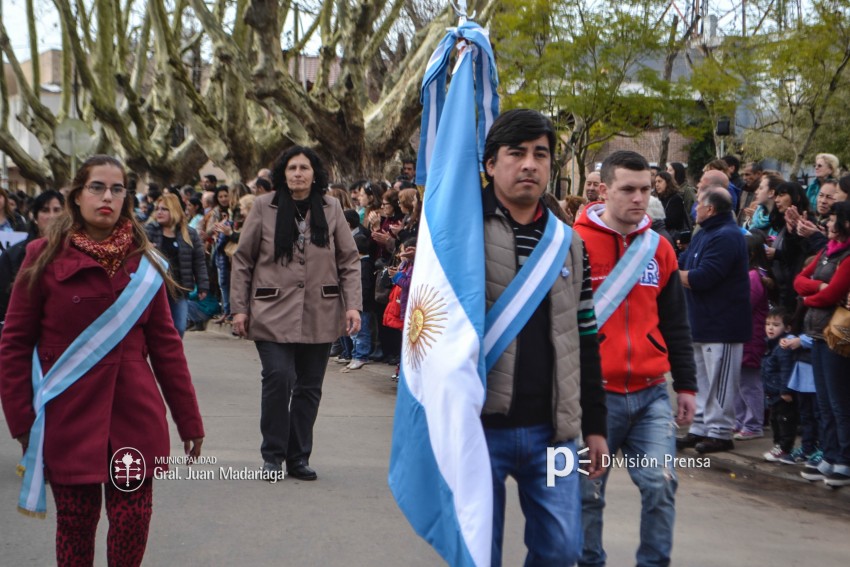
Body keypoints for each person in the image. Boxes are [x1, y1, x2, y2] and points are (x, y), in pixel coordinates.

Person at [0, 155, 204, 566]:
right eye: (97, 187)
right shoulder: (41, 255)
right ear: (77, 196)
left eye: (116, 189)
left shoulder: (144, 261)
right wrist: (22, 420)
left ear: (126, 198)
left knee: (133, 520)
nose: (106, 197)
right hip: (67, 415)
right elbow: (15, 344)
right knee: (76, 524)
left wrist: (189, 419)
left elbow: (166, 348)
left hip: (134, 414)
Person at [479, 109, 608, 565]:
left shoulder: (569, 243)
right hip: (478, 432)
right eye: (516, 153)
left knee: (562, 549)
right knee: (476, 553)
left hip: (554, 435)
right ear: (491, 163)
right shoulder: (460, 233)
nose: (530, 164)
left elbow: (586, 337)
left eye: (540, 154)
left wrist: (594, 426)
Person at [574, 150, 696, 567]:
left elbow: (676, 323)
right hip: (591, 398)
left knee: (661, 487)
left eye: (646, 189)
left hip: (650, 396)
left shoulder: (660, 249)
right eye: (628, 189)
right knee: (584, 493)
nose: (639, 198)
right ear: (604, 190)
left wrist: (687, 386)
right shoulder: (573, 245)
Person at [231, 146, 361, 481]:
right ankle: (272, 455)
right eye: (292, 168)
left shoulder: (331, 208)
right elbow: (243, 260)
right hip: (271, 310)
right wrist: (239, 309)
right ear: (282, 174)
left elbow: (348, 260)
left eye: (304, 167)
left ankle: (298, 456)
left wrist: (353, 305)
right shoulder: (264, 206)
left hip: (320, 310)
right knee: (279, 377)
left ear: (315, 173)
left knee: (309, 387)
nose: (298, 173)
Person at [678, 186, 751, 453]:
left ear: (710, 209)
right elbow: (684, 262)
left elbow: (703, 277)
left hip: (723, 325)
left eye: (698, 203)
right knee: (701, 380)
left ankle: (720, 432)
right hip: (700, 320)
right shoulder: (704, 233)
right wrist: (681, 272)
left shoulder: (727, 236)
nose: (695, 208)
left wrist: (678, 275)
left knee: (720, 380)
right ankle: (699, 428)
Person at [793, 200, 850, 487]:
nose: (827, 223)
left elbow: (832, 296)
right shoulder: (827, 251)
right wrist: (817, 288)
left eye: (833, 219)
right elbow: (799, 280)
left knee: (839, 401)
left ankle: (844, 458)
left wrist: (810, 297)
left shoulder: (848, 257)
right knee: (824, 401)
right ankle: (829, 454)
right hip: (816, 332)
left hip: (836, 336)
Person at [145, 193, 209, 337]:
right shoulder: (149, 231)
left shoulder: (189, 234)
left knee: (179, 326)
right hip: (155, 289)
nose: (159, 212)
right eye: (157, 208)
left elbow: (199, 262)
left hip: (179, 289)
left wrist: (203, 285)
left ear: (173, 211)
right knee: (156, 328)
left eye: (164, 209)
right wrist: (144, 248)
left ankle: (173, 356)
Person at [0, 190, 65, 332]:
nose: (52, 216)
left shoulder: (77, 252)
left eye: (57, 210)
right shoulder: (13, 256)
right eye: (45, 210)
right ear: (35, 217)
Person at [758, 308, 798, 463]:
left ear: (787, 328)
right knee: (775, 419)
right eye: (767, 324)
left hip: (782, 393)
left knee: (785, 420)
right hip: (773, 391)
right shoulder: (772, 344)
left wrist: (785, 390)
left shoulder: (783, 347)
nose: (770, 328)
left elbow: (786, 370)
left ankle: (785, 447)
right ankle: (778, 445)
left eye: (775, 325)